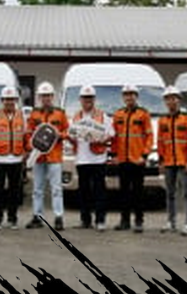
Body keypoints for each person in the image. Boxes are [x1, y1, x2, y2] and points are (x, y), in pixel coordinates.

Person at [68, 85, 114, 232]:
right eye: (85, 98)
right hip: (81, 159)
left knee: (99, 191)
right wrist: (70, 137)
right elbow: (71, 134)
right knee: (84, 192)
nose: (87, 101)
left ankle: (100, 220)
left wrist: (102, 139)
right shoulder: (76, 116)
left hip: (98, 159)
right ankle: (85, 220)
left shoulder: (102, 116)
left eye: (90, 98)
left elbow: (111, 133)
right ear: (80, 100)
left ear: (94, 99)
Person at [26, 82, 69, 231]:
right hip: (38, 157)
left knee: (56, 189)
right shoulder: (34, 114)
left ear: (52, 97)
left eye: (48, 96)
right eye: (43, 96)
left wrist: (59, 134)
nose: (46, 98)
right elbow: (29, 133)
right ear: (39, 97)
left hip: (54, 157)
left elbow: (68, 132)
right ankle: (37, 217)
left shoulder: (60, 113)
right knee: (37, 189)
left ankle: (58, 217)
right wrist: (31, 147)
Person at [110, 84, 153, 233]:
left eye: (132, 94)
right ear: (123, 97)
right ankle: (124, 221)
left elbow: (149, 136)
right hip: (123, 160)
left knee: (138, 192)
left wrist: (144, 155)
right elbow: (114, 137)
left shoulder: (143, 114)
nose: (129, 97)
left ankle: (139, 221)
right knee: (123, 192)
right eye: (126, 95)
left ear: (136, 96)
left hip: (137, 160)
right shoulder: (118, 114)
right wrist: (114, 155)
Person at [157, 86, 187, 236]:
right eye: (168, 99)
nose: (171, 101)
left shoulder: (186, 119)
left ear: (179, 100)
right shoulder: (162, 120)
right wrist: (161, 160)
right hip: (168, 162)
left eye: (173, 98)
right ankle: (170, 222)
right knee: (170, 193)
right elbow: (160, 141)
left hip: (183, 162)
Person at [0, 86, 28, 230]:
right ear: (2, 100)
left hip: (16, 159)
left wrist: (26, 153)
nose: (9, 102)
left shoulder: (22, 116)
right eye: (6, 99)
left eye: (12, 99)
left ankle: (12, 218)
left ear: (16, 100)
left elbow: (25, 136)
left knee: (14, 192)